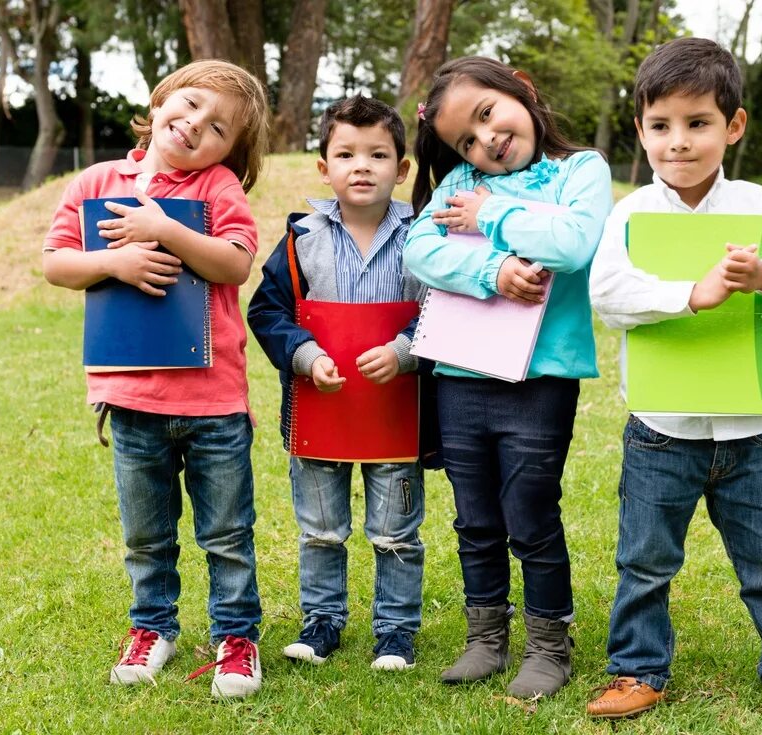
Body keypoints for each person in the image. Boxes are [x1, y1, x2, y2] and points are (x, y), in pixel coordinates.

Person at [587, 38, 762, 726]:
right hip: (660, 433)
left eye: (698, 122)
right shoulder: (630, 214)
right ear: (641, 130)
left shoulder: (761, 207)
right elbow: (608, 292)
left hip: (749, 434)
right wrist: (692, 293)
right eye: (661, 125)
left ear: (732, 126)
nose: (678, 142)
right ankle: (639, 667)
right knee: (644, 561)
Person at [42, 60, 269, 699]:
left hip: (213, 401)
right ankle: (152, 627)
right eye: (190, 104)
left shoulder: (219, 188)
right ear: (162, 97)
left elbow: (235, 264)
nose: (196, 123)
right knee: (146, 534)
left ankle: (236, 636)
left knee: (226, 531)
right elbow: (57, 264)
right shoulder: (97, 181)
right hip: (133, 397)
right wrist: (116, 258)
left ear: (233, 149)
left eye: (219, 126)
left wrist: (163, 228)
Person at [403, 56, 613, 698]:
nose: (484, 140)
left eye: (487, 114)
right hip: (461, 374)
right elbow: (419, 248)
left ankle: (550, 644)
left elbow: (575, 240)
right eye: (466, 139)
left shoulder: (582, 171)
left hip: (540, 381)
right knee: (475, 516)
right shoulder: (459, 184)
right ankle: (485, 638)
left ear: (520, 90)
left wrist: (490, 215)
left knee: (530, 511)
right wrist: (493, 273)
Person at [246, 96, 428, 671]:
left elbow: (445, 310)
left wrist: (404, 350)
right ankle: (321, 621)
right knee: (320, 529)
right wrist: (302, 354)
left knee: (395, 529)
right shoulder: (301, 239)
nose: (362, 165)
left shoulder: (423, 238)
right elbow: (267, 309)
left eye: (378, 154)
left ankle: (395, 631)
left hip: (395, 412)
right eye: (346, 153)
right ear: (324, 168)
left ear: (402, 169)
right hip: (320, 409)